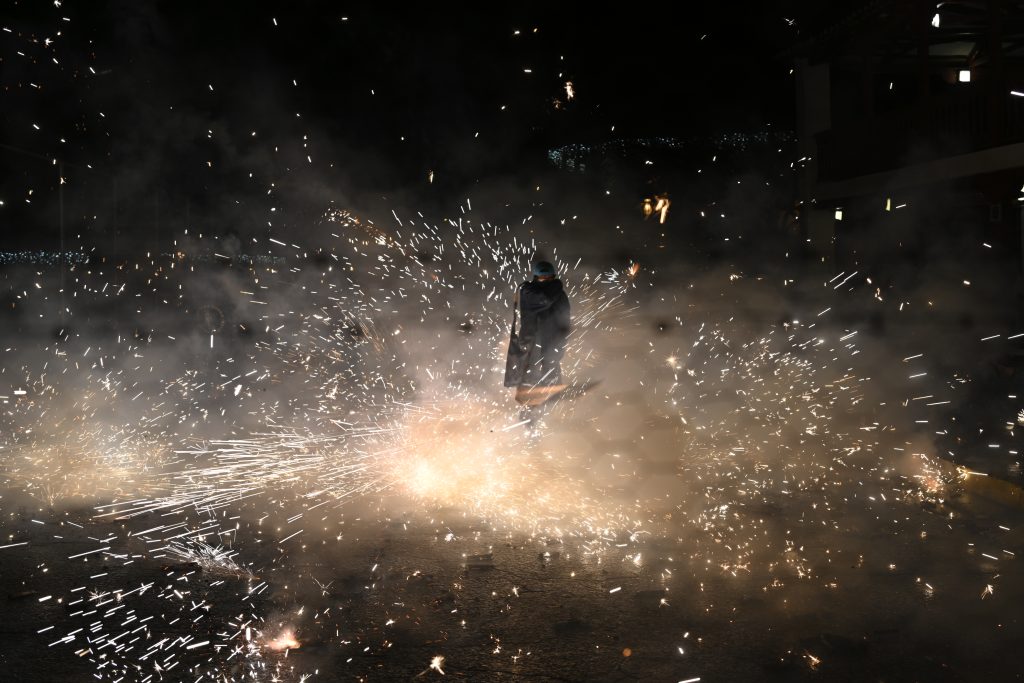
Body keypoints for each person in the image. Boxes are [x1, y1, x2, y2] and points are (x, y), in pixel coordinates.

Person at [504, 260, 571, 408]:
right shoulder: (528, 291)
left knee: (552, 366)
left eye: (549, 278)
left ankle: (553, 399)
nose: (546, 281)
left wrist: (561, 341)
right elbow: (544, 300)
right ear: (535, 278)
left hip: (551, 340)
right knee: (529, 371)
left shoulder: (559, 295)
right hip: (531, 340)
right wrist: (557, 285)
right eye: (543, 278)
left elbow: (565, 319)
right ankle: (527, 404)